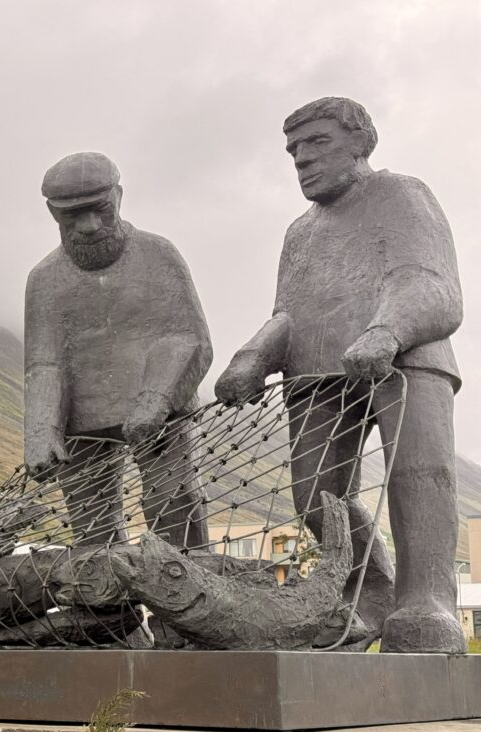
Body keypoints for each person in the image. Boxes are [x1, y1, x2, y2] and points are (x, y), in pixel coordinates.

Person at [215, 96, 465, 653]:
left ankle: (427, 604)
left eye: (317, 142)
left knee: (419, 477)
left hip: (405, 360)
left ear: (360, 144)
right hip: (317, 376)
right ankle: (368, 592)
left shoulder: (402, 195)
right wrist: (252, 357)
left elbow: (431, 283)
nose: (302, 158)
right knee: (317, 498)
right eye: (293, 150)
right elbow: (288, 315)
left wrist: (387, 330)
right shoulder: (299, 233)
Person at [25, 151, 213, 548]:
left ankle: (190, 585)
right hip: (82, 426)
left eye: (100, 209)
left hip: (159, 413)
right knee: (93, 532)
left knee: (171, 502)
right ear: (53, 213)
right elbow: (44, 363)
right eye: (72, 215)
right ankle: (110, 593)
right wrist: (42, 429)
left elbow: (190, 338)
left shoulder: (158, 254)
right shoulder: (44, 280)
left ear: (119, 197)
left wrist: (156, 400)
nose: (89, 226)